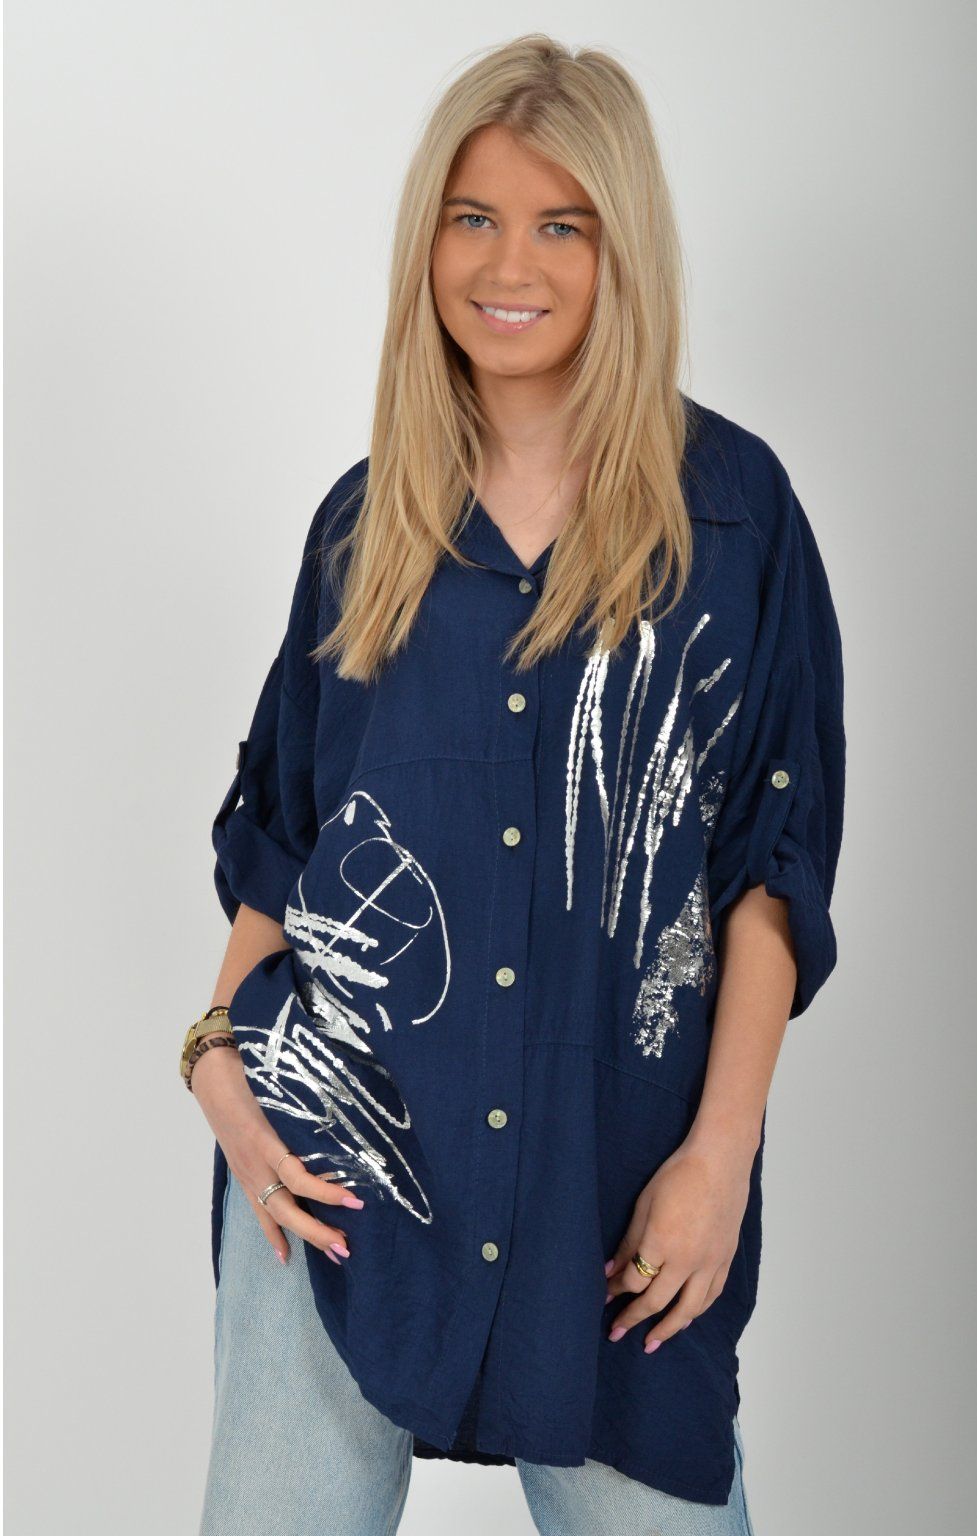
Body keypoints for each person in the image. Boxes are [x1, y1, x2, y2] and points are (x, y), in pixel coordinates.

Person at [184, 32, 845, 1536]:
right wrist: (216, 1057)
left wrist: (718, 1157)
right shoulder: (364, 527)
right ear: (428, 240)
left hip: (612, 1206)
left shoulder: (733, 523)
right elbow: (285, 843)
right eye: (473, 217)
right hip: (326, 1172)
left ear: (625, 251)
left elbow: (772, 861)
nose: (509, 265)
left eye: (563, 225)